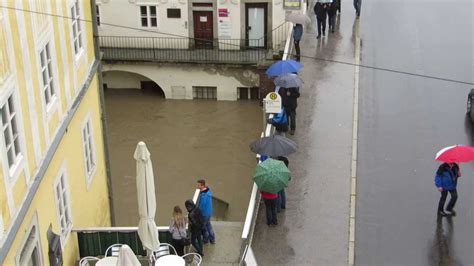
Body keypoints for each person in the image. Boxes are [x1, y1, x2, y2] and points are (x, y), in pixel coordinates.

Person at [196, 179, 215, 244]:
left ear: (202, 185)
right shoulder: (208, 191)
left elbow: (202, 206)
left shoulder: (203, 195)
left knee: (204, 228)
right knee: (208, 226)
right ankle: (212, 239)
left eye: (199, 185)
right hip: (209, 212)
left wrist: (198, 213)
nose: (197, 186)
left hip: (204, 214)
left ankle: (205, 240)